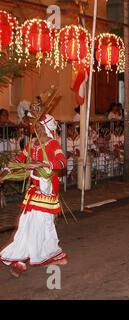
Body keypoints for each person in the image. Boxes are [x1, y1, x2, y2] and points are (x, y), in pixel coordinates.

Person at [0, 113, 68, 278]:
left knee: (38, 224)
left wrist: (44, 164)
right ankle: (30, 255)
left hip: (46, 190)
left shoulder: (52, 144)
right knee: (26, 223)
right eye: (35, 126)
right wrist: (8, 170)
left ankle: (29, 258)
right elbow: (20, 158)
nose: (35, 128)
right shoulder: (32, 143)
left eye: (39, 126)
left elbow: (62, 162)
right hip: (34, 189)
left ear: (46, 129)